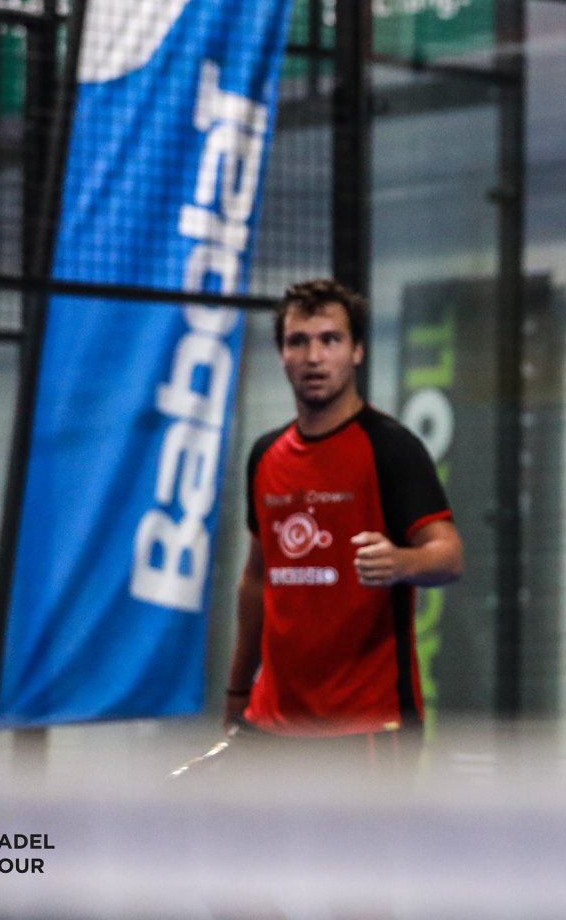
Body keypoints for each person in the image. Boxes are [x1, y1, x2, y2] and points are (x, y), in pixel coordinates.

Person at [223, 278, 464, 773]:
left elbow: (449, 556)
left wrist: (401, 562)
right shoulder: (264, 454)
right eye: (298, 341)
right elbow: (256, 580)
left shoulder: (391, 448)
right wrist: (237, 693)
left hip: (368, 728)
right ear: (282, 354)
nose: (314, 356)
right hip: (270, 724)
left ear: (356, 351)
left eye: (329, 339)